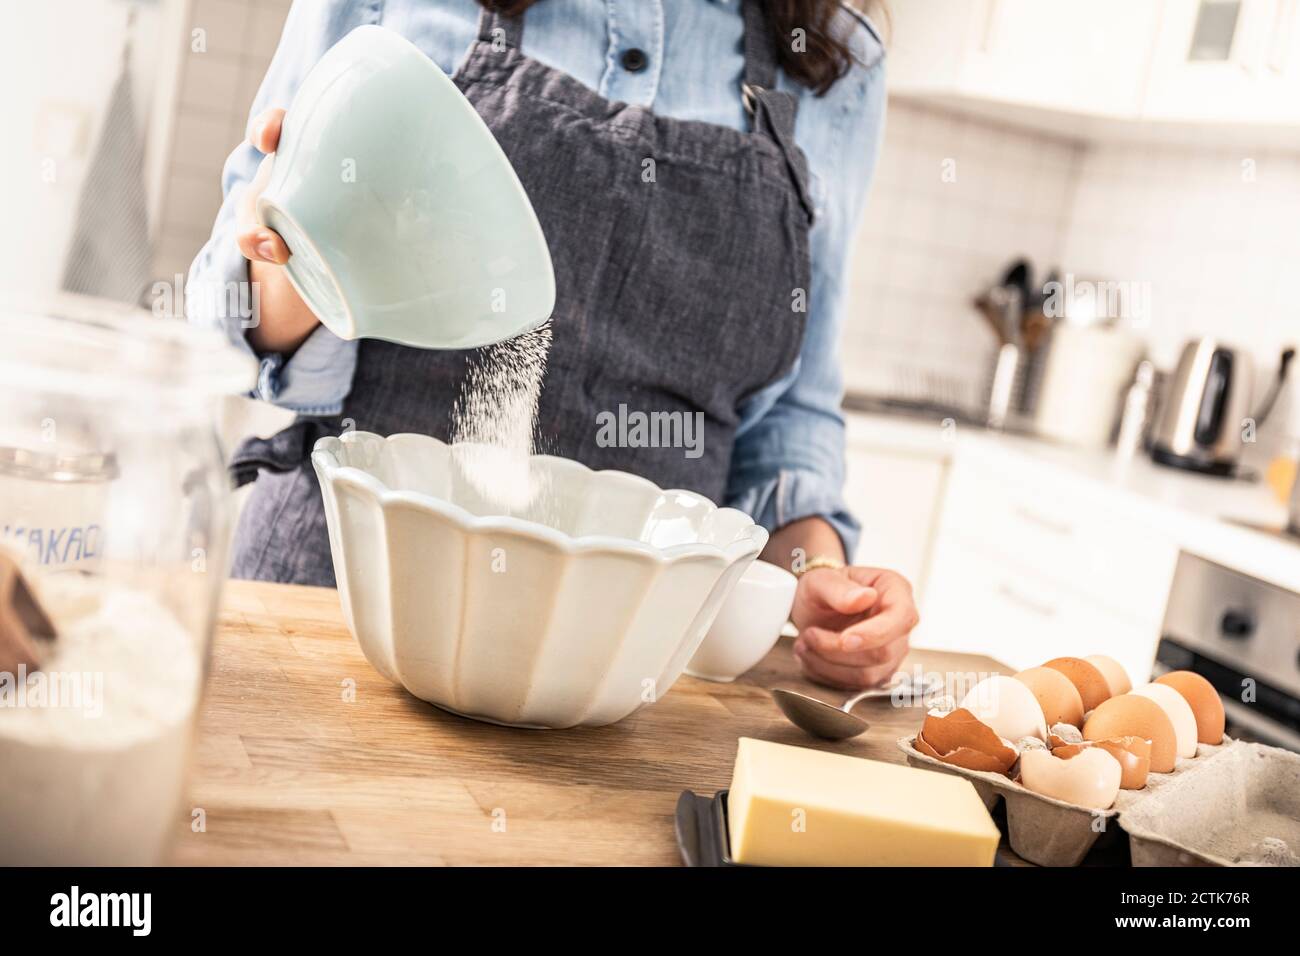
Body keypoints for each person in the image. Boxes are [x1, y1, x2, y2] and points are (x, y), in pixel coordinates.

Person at [189, 0, 917, 690]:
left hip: (628, 682)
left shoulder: (833, 52)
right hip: (336, 612)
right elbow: (230, 317)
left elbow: (789, 423)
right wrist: (291, 255)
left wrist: (820, 572)